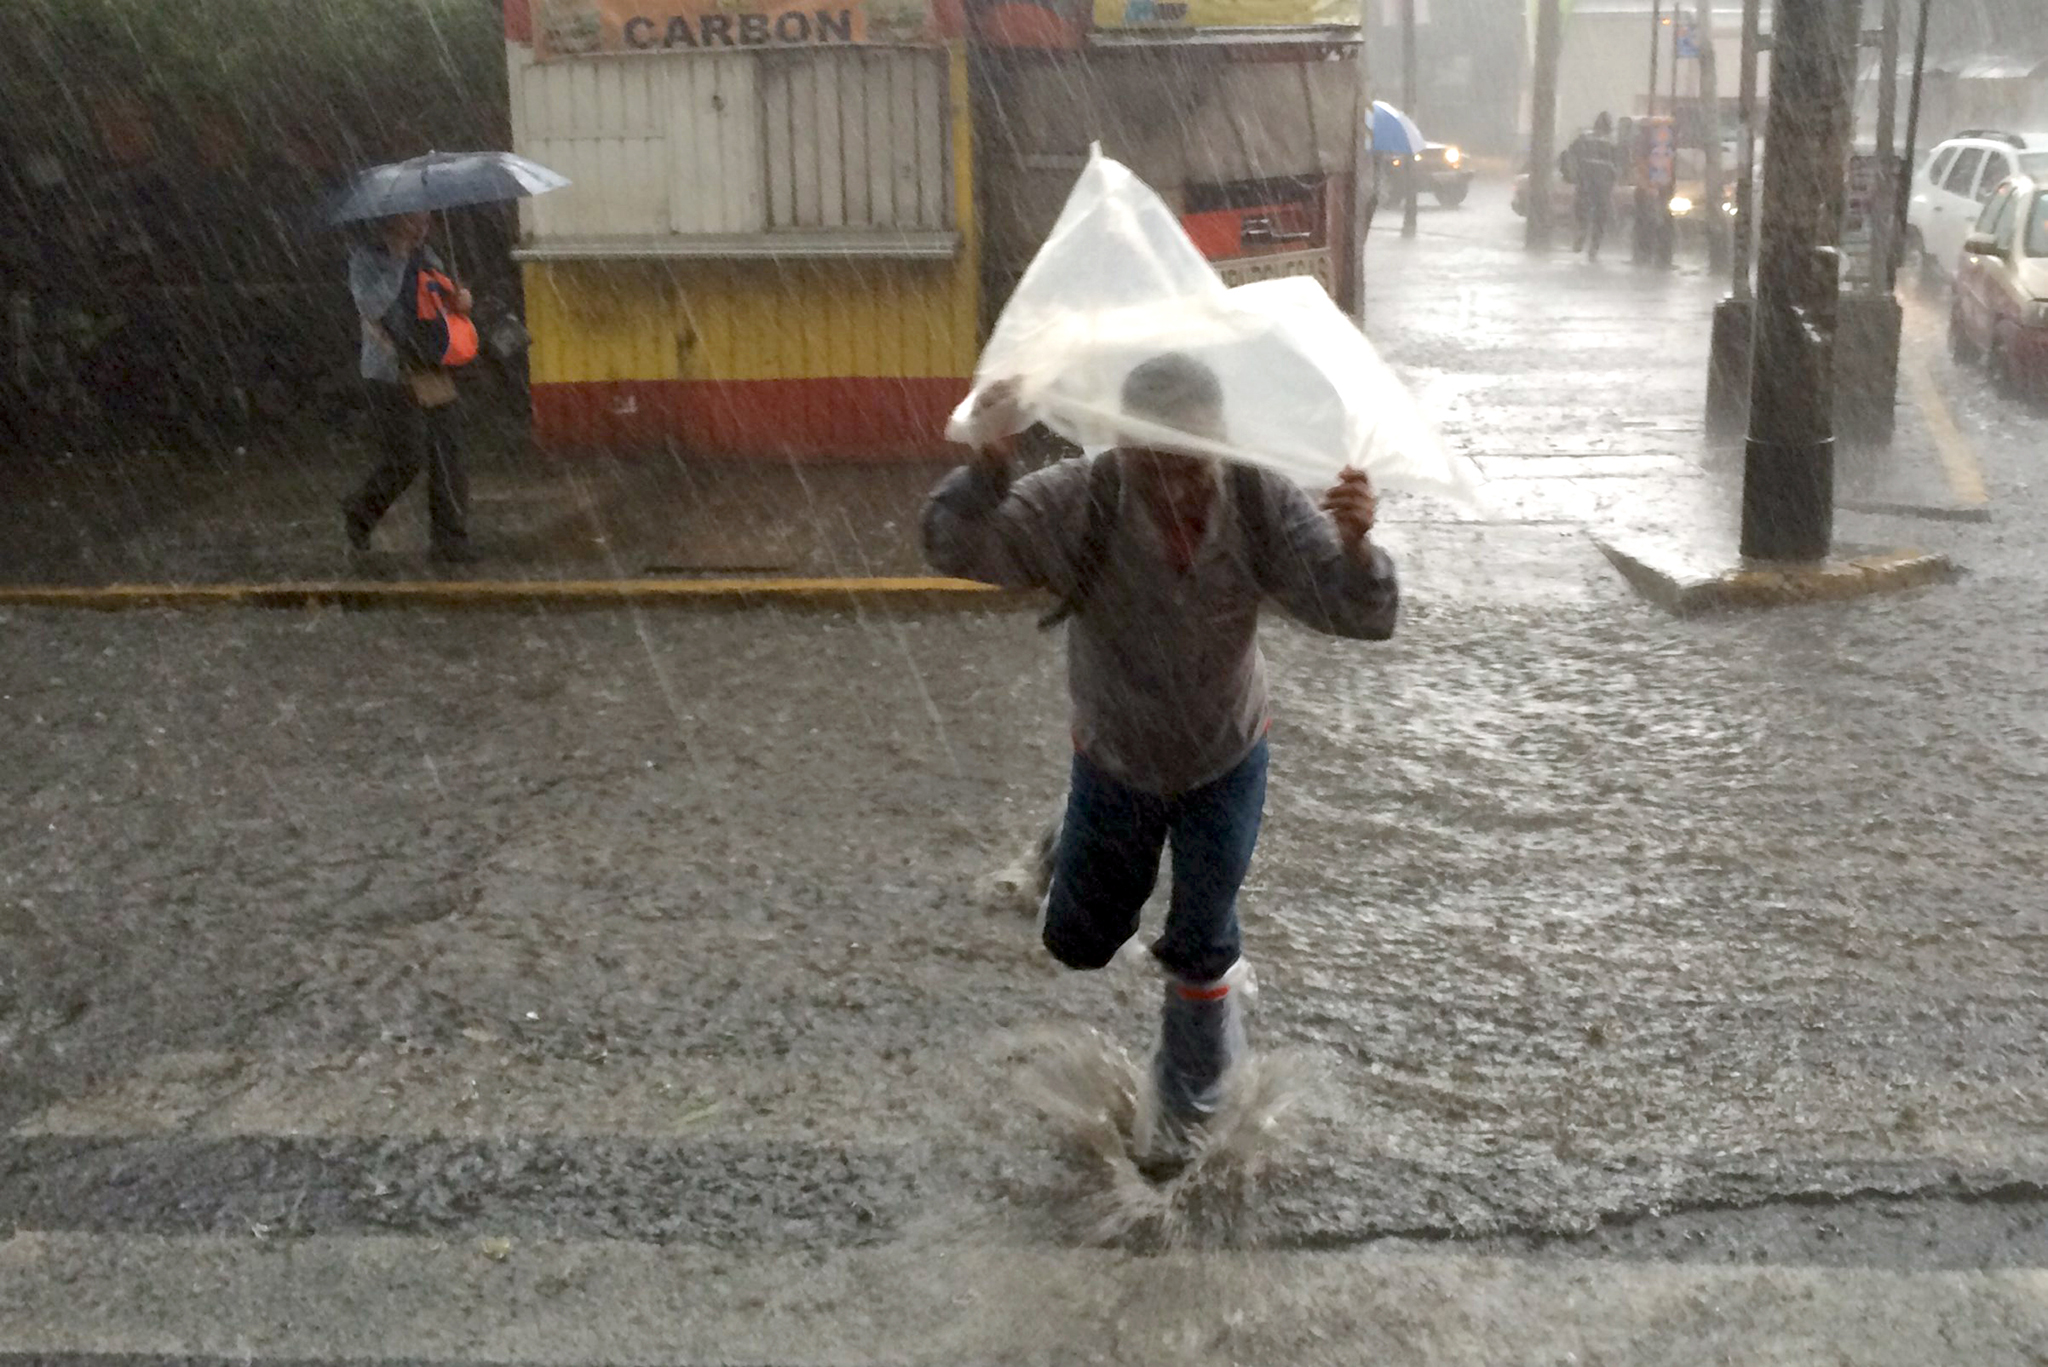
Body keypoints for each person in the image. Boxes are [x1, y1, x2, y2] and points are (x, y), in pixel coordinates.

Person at [922, 354, 1399, 1170]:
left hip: (1227, 756)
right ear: (1122, 445)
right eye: (1156, 459)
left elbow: (1359, 615)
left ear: (1220, 440)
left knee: (1200, 937)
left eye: (1193, 457)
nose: (1178, 484)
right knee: (1079, 940)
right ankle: (1069, 830)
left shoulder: (1257, 500)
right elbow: (956, 548)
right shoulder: (1084, 499)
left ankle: (1184, 1111)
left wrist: (1356, 550)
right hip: (1115, 759)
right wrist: (987, 472)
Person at [342, 211, 472, 561]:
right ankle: (361, 511)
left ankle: (450, 540)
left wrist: (460, 300)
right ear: (393, 221)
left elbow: (443, 297)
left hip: (429, 364)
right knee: (407, 457)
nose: (422, 228)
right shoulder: (366, 259)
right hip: (390, 370)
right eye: (414, 221)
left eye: (426, 221)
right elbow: (373, 305)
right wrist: (398, 261)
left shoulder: (427, 255)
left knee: (448, 452)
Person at [1562, 112, 1621, 259]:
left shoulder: (1584, 138)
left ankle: (1581, 234)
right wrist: (1615, 178)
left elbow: (1568, 155)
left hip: (1585, 182)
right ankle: (1594, 247)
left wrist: (1570, 175)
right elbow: (1619, 165)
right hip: (1603, 186)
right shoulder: (1613, 143)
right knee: (1600, 216)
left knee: (1581, 210)